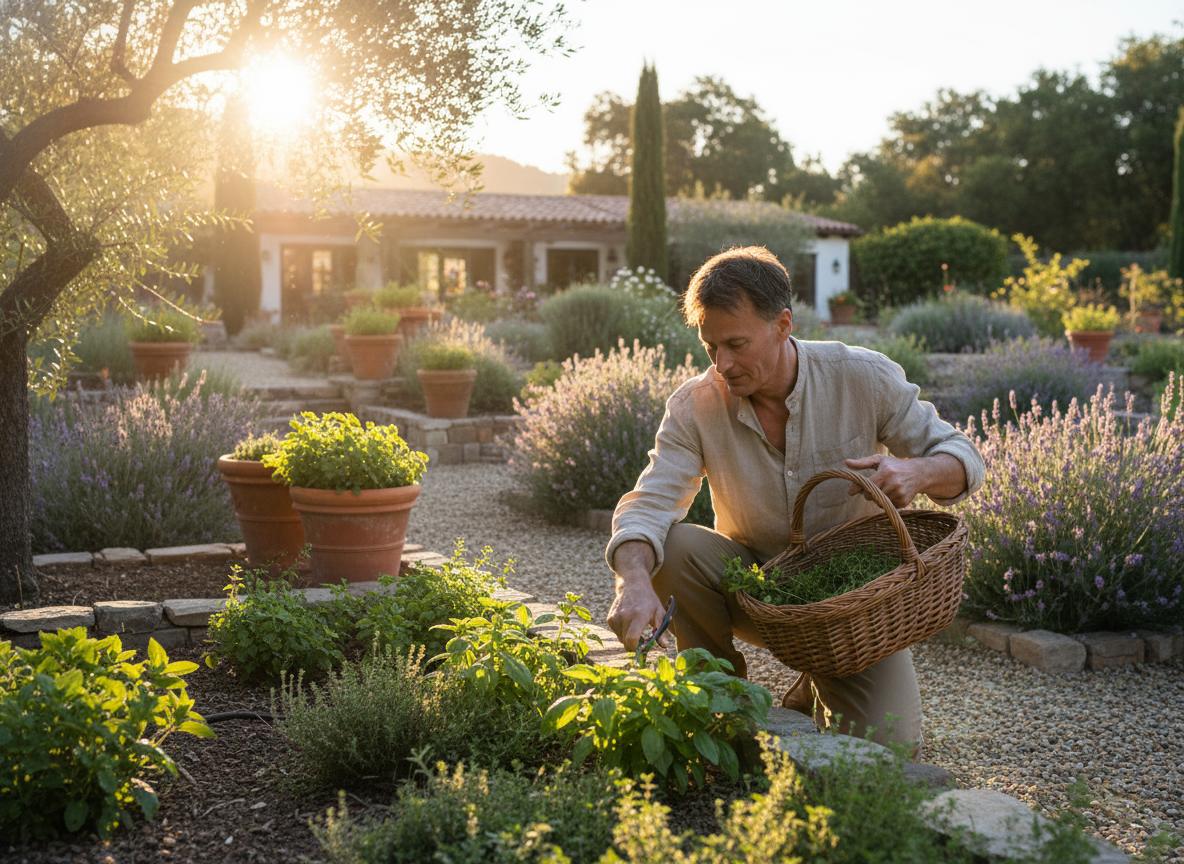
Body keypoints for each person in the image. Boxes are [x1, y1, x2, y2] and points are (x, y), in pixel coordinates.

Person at [604, 246, 985, 752]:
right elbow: (650, 503)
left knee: (888, 752)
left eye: (737, 344)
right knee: (671, 548)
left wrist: (916, 471)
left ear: (783, 325)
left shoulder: (862, 377)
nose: (723, 364)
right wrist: (631, 582)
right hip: (756, 590)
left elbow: (962, 457)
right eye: (710, 346)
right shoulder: (695, 405)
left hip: (852, 610)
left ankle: (819, 672)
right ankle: (721, 700)